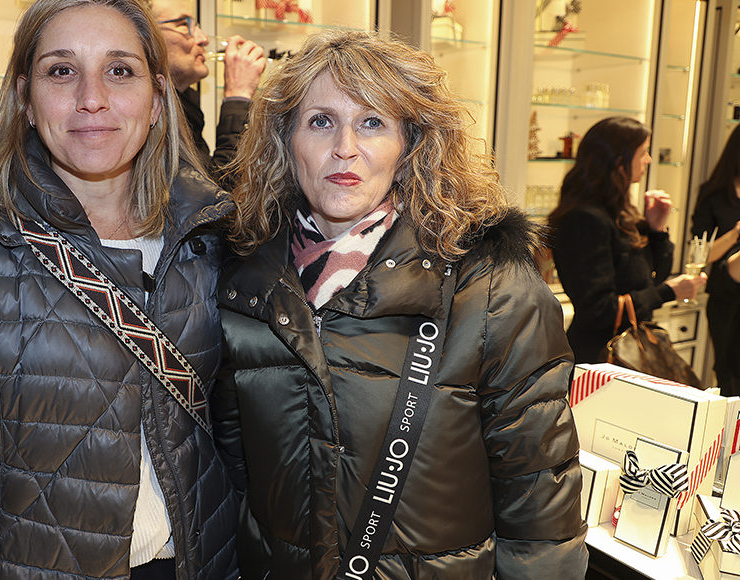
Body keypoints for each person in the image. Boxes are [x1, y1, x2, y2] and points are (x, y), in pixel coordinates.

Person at [0, 1, 239, 579]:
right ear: (25, 96)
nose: (92, 98)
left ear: (158, 96)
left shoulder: (207, 236)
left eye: (120, 70)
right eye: (62, 71)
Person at [213, 29, 588, 579]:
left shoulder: (490, 287)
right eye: (320, 121)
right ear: (285, 141)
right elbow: (236, 478)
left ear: (410, 144)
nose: (345, 147)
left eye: (372, 122)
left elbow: (539, 496)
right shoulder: (245, 284)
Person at [549, 116, 706, 364]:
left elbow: (654, 277)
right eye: (643, 152)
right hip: (600, 359)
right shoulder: (584, 220)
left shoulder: (619, 213)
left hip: (626, 351)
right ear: (619, 160)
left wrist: (656, 230)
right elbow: (598, 310)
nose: (649, 159)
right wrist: (668, 292)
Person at [147, 0, 265, 187]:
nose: (203, 39)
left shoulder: (187, 104)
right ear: (145, 36)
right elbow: (218, 194)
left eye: (197, 25)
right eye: (183, 25)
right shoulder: (148, 114)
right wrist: (238, 95)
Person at [693, 122, 740, 396]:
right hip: (726, 295)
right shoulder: (714, 194)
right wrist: (735, 234)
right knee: (729, 370)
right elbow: (702, 254)